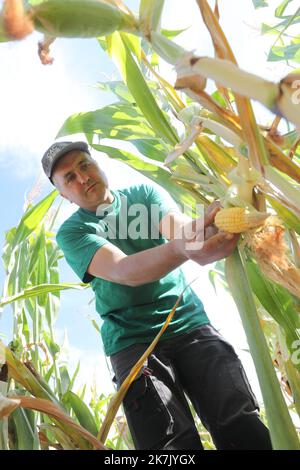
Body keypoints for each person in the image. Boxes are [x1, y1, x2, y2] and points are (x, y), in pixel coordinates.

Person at [41, 140, 272, 450]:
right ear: (63, 194)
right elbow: (126, 271)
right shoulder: (73, 232)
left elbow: (181, 231)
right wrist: (184, 248)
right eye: (69, 177)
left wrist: (207, 227)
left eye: (85, 165)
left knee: (240, 422)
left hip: (190, 325)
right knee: (171, 445)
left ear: (97, 165)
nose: (82, 177)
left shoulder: (143, 195)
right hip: (133, 343)